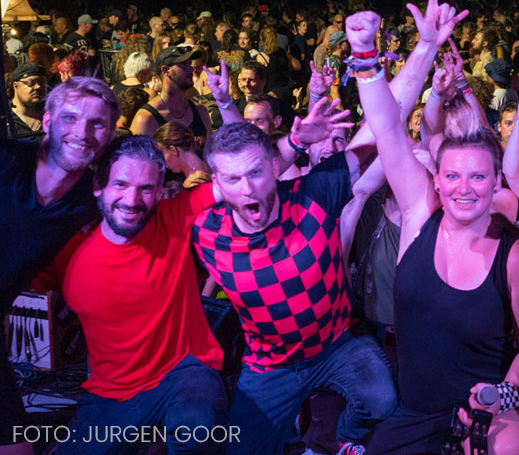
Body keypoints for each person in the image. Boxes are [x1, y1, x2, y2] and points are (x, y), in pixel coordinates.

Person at [355, 0, 519, 455]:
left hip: (488, 416)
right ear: (435, 180)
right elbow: (385, 127)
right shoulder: (420, 214)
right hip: (414, 415)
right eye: (454, 176)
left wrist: (503, 394)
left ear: (495, 180)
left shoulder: (513, 254)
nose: (465, 187)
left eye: (478, 176)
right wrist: (366, 53)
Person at [191, 121, 396, 455]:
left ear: (274, 167)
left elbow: (379, 129)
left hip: (337, 343)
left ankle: (347, 437)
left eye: (255, 173)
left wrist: (373, 68)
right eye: (232, 179)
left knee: (381, 400)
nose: (247, 189)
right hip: (270, 365)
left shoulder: (313, 194)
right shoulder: (204, 230)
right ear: (217, 184)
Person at [49, 136, 226, 454]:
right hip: (110, 391)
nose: (132, 199)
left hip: (183, 371)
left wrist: (295, 141)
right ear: (98, 186)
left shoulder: (172, 217)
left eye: (146, 188)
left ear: (159, 192)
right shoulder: (68, 250)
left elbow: (240, 180)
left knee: (196, 429)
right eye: (121, 184)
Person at [0, 77, 119, 453]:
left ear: (110, 133)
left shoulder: (92, 195)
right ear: (47, 120)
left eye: (97, 123)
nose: (82, 133)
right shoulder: (6, 159)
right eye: (70, 118)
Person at [130, 46, 213, 146]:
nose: (191, 68)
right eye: (183, 64)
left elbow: (210, 154)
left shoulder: (200, 111)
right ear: (166, 70)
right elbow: (137, 159)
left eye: (189, 63)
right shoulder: (146, 118)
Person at [8, 62, 49, 140]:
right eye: (31, 83)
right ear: (16, 86)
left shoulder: (54, 116)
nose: (38, 87)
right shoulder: (5, 117)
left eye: (42, 82)